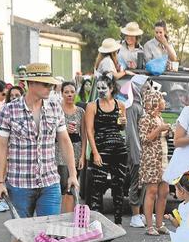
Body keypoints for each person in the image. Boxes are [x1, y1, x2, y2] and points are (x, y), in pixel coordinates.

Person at [0, 63, 79, 242]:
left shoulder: (54, 107)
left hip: (49, 180)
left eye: (51, 84)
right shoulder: (10, 110)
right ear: (30, 84)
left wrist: (72, 174)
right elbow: (0, 147)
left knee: (52, 231)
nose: (50, 88)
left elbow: (64, 141)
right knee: (20, 232)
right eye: (45, 84)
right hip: (19, 182)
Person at [85, 72, 128, 224]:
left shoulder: (120, 105)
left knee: (119, 185)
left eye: (104, 88)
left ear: (111, 88)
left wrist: (123, 122)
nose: (101, 91)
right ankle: (96, 220)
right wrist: (95, 153)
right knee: (98, 185)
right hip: (101, 149)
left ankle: (118, 220)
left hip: (119, 149)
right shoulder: (92, 106)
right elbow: (89, 130)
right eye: (98, 88)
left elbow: (122, 127)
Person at [139, 87, 171, 235]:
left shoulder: (160, 117)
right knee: (151, 191)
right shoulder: (146, 118)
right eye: (162, 99)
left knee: (164, 191)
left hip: (163, 159)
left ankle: (159, 224)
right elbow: (144, 138)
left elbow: (160, 136)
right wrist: (159, 129)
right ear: (154, 102)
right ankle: (150, 226)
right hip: (151, 160)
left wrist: (168, 130)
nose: (164, 102)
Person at [56, 81, 86, 213]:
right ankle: (62, 215)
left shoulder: (80, 111)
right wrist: (64, 131)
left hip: (77, 148)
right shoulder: (57, 110)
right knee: (63, 185)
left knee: (73, 185)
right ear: (61, 93)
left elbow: (84, 135)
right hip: (59, 150)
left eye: (72, 92)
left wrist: (83, 156)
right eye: (66, 92)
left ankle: (70, 216)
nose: (69, 95)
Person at [125, 75, 147, 228]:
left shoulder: (141, 104)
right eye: (144, 86)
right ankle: (135, 215)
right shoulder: (132, 106)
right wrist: (136, 152)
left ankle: (142, 213)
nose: (147, 89)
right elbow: (131, 132)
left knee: (144, 183)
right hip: (136, 150)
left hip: (144, 150)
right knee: (135, 183)